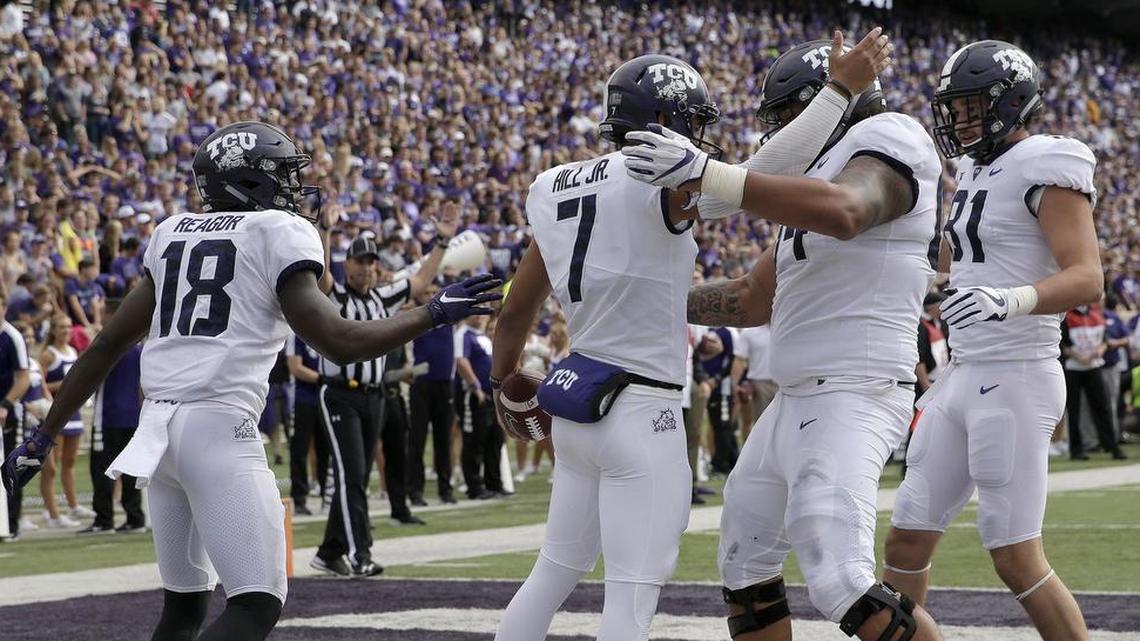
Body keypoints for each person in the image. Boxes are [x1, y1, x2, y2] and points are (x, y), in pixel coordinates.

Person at [2, 121, 499, 641]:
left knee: (184, 609)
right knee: (256, 604)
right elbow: (341, 342)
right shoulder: (278, 232)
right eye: (282, 175)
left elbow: (106, 344)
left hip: (159, 436)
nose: (292, 187)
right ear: (251, 181)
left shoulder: (172, 232)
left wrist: (42, 435)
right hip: (218, 431)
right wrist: (434, 312)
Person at [493, 32, 890, 641]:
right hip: (641, 408)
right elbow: (762, 173)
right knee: (630, 595)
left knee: (552, 570)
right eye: (688, 122)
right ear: (659, 120)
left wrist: (504, 383)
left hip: (573, 402)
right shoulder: (663, 181)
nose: (698, 138)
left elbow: (518, 308)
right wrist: (839, 92)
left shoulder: (553, 185)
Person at [629, 31, 947, 641]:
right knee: (745, 570)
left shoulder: (891, 137)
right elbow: (753, 298)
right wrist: (651, 302)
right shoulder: (815, 181)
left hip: (854, 390)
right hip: (795, 398)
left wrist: (710, 175)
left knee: (842, 582)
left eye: (785, 119)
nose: (778, 138)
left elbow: (848, 212)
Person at [884, 40, 1108, 641]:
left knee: (1014, 555)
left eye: (972, 106)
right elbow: (973, 265)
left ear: (1011, 101)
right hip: (963, 372)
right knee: (904, 540)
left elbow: (1088, 276)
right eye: (954, 108)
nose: (960, 119)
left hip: (1018, 371)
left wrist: (1009, 300)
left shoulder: (1047, 160)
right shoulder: (978, 168)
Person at [313, 201, 459, 577]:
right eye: (360, 262)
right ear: (349, 265)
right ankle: (361, 554)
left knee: (356, 477)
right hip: (341, 392)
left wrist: (442, 242)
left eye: (371, 262)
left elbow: (421, 282)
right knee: (352, 475)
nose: (367, 268)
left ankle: (330, 552)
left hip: (374, 396)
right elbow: (322, 277)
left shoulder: (382, 297)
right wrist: (325, 232)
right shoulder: (337, 297)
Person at [82, 299, 146, 534]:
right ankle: (135, 517)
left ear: (109, 314)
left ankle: (104, 519)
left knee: (101, 469)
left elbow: (91, 376)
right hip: (132, 415)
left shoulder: (110, 345)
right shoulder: (138, 346)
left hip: (108, 416)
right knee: (130, 469)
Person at [39, 313, 90, 528]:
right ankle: (52, 513)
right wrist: (63, 384)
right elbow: (39, 385)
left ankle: (73, 504)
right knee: (51, 466)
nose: (66, 331)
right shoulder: (48, 355)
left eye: (68, 327)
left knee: (69, 462)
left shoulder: (73, 351)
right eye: (61, 327)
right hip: (55, 413)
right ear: (53, 330)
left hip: (74, 412)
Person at [1061, 304, 1124, 460]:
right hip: (1073, 368)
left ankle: (1112, 446)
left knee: (1103, 407)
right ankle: (1076, 450)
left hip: (1093, 367)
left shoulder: (1097, 314)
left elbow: (1105, 340)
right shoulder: (1067, 316)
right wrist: (1079, 357)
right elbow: (1063, 345)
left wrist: (1100, 351)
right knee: (1074, 411)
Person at [454, 313, 503, 500]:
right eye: (477, 312)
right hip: (475, 396)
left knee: (495, 440)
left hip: (491, 396)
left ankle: (494, 484)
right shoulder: (463, 334)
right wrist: (475, 387)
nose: (481, 316)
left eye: (483, 312)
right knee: (474, 441)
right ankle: (474, 487)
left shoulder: (482, 336)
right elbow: (461, 361)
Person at [285, 333, 327, 516]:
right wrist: (322, 378)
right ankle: (299, 497)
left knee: (326, 449)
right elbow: (295, 367)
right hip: (302, 400)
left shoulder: (324, 329)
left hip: (324, 398)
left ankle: (329, 495)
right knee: (299, 449)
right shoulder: (297, 335)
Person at [0, 292, 30, 538]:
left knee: (9, 467)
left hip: (8, 414)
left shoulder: (12, 337)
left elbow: (23, 378)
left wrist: (6, 404)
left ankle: (11, 523)